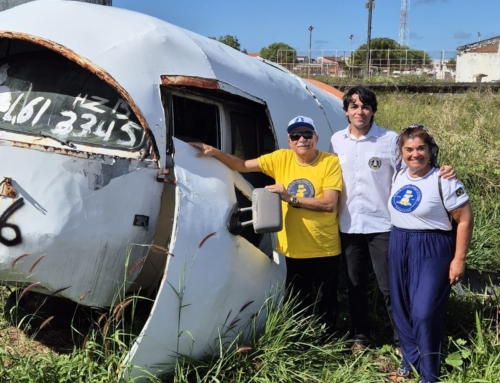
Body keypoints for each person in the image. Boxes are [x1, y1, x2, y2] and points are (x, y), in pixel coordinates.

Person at [329, 86, 455, 351]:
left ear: (373, 110)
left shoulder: (389, 140)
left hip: (384, 226)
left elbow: (414, 169)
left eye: (365, 106)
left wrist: (441, 168)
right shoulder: (336, 141)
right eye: (353, 106)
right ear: (346, 111)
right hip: (349, 224)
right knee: (355, 285)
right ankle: (362, 336)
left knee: (391, 287)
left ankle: (402, 341)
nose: (359, 111)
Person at [190, 116, 343, 329]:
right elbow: (242, 165)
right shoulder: (281, 158)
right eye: (296, 135)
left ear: (315, 138)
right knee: (299, 298)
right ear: (289, 141)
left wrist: (290, 198)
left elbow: (329, 204)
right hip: (293, 246)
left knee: (328, 297)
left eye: (307, 134)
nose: (302, 139)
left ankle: (330, 339)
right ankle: (302, 341)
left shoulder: (329, 162)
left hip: (323, 245)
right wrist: (215, 152)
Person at [388, 124, 473, 383]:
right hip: (399, 242)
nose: (415, 154)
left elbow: (465, 219)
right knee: (401, 307)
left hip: (433, 247)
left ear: (430, 150)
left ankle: (429, 374)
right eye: (409, 149)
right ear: (401, 152)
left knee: (424, 312)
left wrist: (458, 259)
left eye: (421, 148)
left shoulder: (443, 179)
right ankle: (409, 360)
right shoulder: (398, 175)